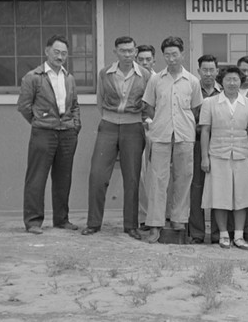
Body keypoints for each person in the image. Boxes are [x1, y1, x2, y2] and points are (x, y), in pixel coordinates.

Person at [82, 37, 151, 239]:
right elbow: (100, 100)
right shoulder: (105, 73)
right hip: (109, 125)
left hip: (133, 126)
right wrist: (111, 118)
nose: (127, 55)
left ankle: (131, 225)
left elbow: (148, 103)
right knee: (97, 175)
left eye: (130, 51)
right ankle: (93, 223)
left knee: (132, 177)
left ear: (135, 51)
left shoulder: (145, 75)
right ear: (116, 52)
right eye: (123, 51)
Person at [17, 35, 81, 234]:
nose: (60, 57)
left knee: (64, 178)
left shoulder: (68, 77)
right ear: (47, 52)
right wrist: (39, 122)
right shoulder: (33, 77)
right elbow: (24, 106)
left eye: (63, 53)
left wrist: (75, 126)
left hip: (67, 134)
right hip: (43, 133)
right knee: (36, 178)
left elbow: (75, 105)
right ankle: (33, 222)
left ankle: (62, 220)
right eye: (56, 52)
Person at [142, 36, 203, 243]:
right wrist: (159, 121)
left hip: (184, 135)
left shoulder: (192, 81)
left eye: (174, 54)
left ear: (182, 54)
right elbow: (149, 105)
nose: (171, 58)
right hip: (160, 135)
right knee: (157, 180)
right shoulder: (156, 79)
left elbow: (195, 109)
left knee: (184, 178)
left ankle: (179, 219)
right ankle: (155, 224)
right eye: (167, 55)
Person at [199, 66, 248, 250]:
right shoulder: (210, 103)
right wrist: (204, 157)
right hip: (217, 154)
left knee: (241, 195)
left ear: (241, 81)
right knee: (220, 195)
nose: (232, 83)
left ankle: (239, 235)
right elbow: (205, 130)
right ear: (221, 82)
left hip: (241, 154)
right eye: (228, 80)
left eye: (235, 79)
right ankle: (223, 234)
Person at [188, 55, 221, 244]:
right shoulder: (192, 91)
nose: (208, 73)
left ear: (217, 71)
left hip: (218, 145)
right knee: (196, 189)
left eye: (212, 70)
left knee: (218, 189)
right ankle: (197, 233)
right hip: (195, 143)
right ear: (198, 71)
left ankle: (218, 233)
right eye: (204, 70)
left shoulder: (223, 92)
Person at [135, 43, 156, 230]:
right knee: (141, 174)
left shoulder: (161, 80)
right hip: (138, 130)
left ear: (154, 60)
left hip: (159, 131)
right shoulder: (133, 79)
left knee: (158, 174)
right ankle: (143, 216)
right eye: (140, 59)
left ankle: (160, 215)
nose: (144, 63)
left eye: (148, 59)